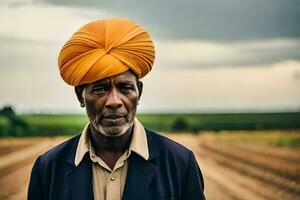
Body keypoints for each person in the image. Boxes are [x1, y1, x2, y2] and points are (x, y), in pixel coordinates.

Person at [28, 18, 205, 200]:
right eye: (100, 89)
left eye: (125, 88)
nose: (114, 101)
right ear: (80, 95)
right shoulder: (48, 168)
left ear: (139, 93)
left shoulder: (180, 163)